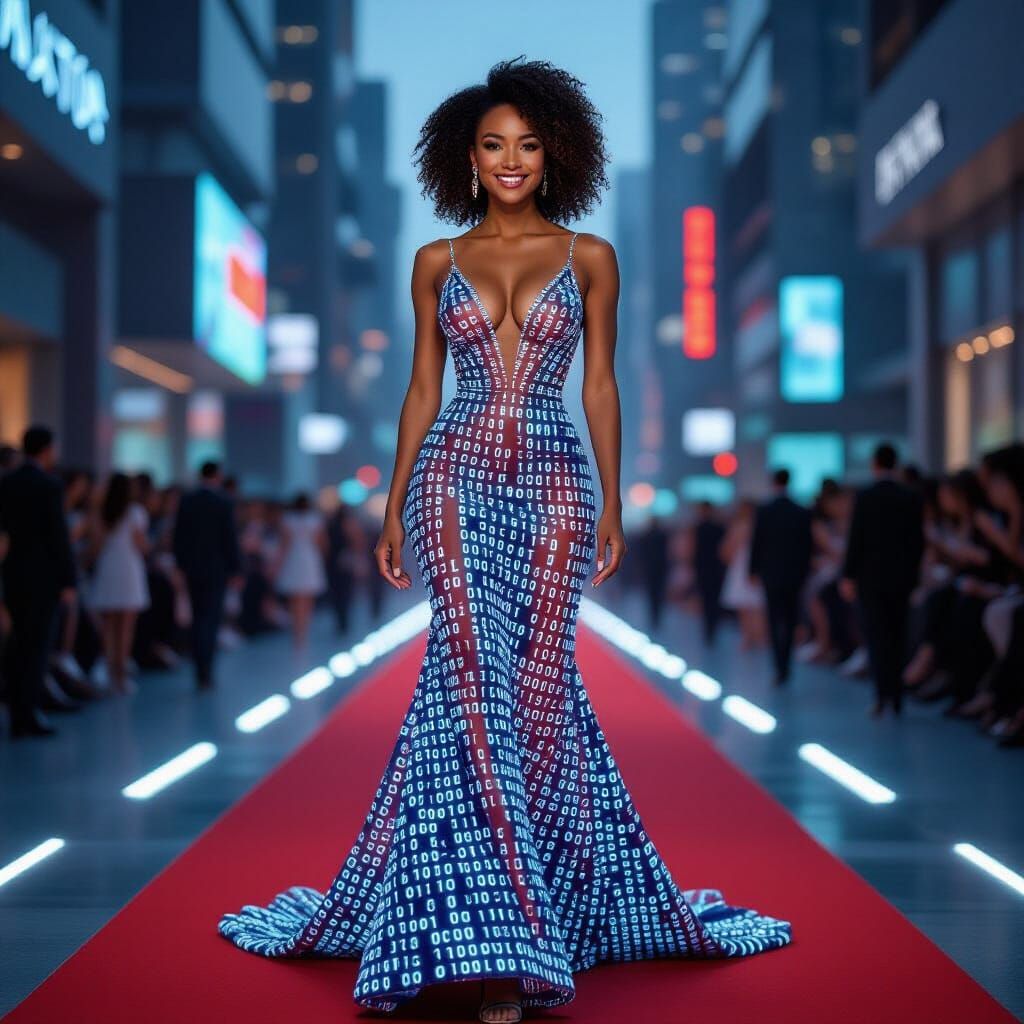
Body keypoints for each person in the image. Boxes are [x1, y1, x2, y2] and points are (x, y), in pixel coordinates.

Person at [217, 58, 791, 1024]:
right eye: (493, 145)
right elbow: (420, 391)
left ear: (553, 153)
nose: (511, 160)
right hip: (453, 477)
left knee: (538, 686)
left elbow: (601, 386)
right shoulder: (434, 264)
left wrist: (612, 501)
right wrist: (396, 502)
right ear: (467, 159)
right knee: (469, 679)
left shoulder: (593, 256)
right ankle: (500, 941)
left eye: (527, 144)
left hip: (560, 484)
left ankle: (550, 902)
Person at [0, 425, 77, 737]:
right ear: (47, 449)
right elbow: (58, 536)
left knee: (18, 644)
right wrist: (68, 579)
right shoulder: (50, 485)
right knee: (37, 646)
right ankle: (28, 713)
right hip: (43, 578)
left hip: (13, 574)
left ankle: (16, 710)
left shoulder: (7, 483)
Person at [840, 443, 924, 717]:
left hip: (871, 579)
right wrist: (914, 577)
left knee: (876, 636)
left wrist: (848, 574)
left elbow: (856, 539)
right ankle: (897, 695)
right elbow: (917, 542)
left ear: (875, 464)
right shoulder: (910, 497)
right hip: (901, 579)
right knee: (898, 634)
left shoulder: (866, 497)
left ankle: (881, 696)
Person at [172, 461, 241, 689]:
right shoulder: (223, 502)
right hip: (216, 570)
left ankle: (199, 669)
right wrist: (236, 568)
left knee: (197, 617)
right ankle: (206, 672)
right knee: (210, 620)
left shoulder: (187, 500)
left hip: (192, 569)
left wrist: (179, 565)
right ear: (217, 475)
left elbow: (178, 536)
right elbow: (229, 538)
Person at [87, 473, 151, 695]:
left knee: (108, 625)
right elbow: (141, 545)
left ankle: (106, 667)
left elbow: (95, 544)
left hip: (108, 567)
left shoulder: (102, 512)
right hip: (129, 568)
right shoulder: (135, 512)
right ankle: (120, 674)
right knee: (126, 627)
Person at [749, 467, 813, 685]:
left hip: (771, 574)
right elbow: (807, 547)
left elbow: (757, 543)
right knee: (791, 619)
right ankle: (787, 664)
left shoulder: (765, 511)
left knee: (774, 619)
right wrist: (805, 572)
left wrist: (753, 570)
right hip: (795, 575)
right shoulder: (801, 511)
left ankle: (779, 667)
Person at [273, 492, 327, 650]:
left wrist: (277, 565)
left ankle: (297, 632)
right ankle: (303, 631)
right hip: (310, 559)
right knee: (307, 599)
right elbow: (320, 543)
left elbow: (284, 545)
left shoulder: (287, 520)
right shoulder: (315, 520)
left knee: (294, 599)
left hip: (293, 559)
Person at [720, 498, 766, 650]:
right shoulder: (759, 526)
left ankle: (752, 637)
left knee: (749, 605)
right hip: (751, 566)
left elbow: (727, 550)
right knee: (753, 605)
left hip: (743, 567)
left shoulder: (740, 527)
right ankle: (756, 637)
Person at [692, 501, 727, 645]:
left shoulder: (699, 528)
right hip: (713, 569)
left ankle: (709, 629)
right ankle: (711, 629)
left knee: (708, 600)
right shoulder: (718, 527)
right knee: (712, 600)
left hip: (706, 569)